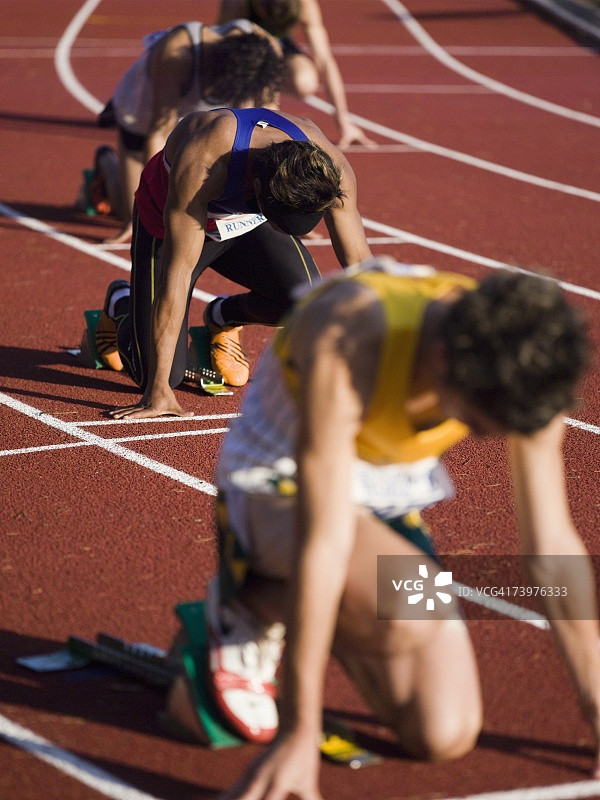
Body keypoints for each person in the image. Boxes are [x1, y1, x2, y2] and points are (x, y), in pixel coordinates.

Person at [164, 259, 600, 799]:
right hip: (277, 483)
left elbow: (552, 545)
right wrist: (300, 732)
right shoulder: (348, 333)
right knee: (407, 607)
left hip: (383, 496)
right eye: (481, 426)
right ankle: (246, 608)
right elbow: (324, 540)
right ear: (442, 361)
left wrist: (595, 701)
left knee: (444, 733)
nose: (485, 438)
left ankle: (327, 609)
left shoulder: (530, 364)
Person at [98, 106, 372, 417]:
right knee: (157, 376)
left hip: (243, 224)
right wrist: (158, 391)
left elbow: (363, 266)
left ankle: (223, 317)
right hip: (173, 222)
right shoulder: (205, 159)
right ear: (257, 190)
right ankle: (121, 302)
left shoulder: (329, 167)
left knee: (303, 300)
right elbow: (178, 273)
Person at [95, 20, 284, 243]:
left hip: (205, 106)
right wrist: (154, 205)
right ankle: (107, 164)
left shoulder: (267, 54)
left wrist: (284, 206)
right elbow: (158, 132)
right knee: (139, 215)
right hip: (143, 112)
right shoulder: (175, 55)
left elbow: (270, 124)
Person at [218, 0, 376, 149]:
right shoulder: (238, 3)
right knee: (247, 107)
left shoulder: (304, 4)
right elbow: (222, 50)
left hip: (282, 49)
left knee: (304, 81)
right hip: (245, 49)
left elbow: (324, 60)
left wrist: (343, 121)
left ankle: (268, 104)